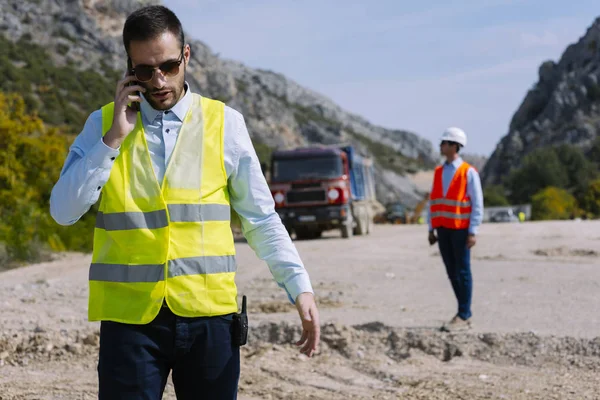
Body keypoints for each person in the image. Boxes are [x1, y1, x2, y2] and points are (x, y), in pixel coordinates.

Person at [49, 5, 320, 399]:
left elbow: (261, 219)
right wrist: (111, 141)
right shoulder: (103, 125)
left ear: (186, 56)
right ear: (129, 67)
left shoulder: (226, 124)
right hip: (130, 323)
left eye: (169, 66)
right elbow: (63, 211)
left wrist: (300, 286)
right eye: (144, 70)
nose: (158, 80)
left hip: (210, 319)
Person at [427, 127, 483, 332]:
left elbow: (477, 203)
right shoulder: (438, 172)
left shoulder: (468, 172)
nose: (441, 146)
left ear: (454, 146)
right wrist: (431, 228)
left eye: (444, 142)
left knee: (462, 271)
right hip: (442, 229)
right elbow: (433, 201)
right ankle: (462, 311)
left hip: (460, 230)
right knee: (452, 271)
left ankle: (464, 314)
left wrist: (473, 231)